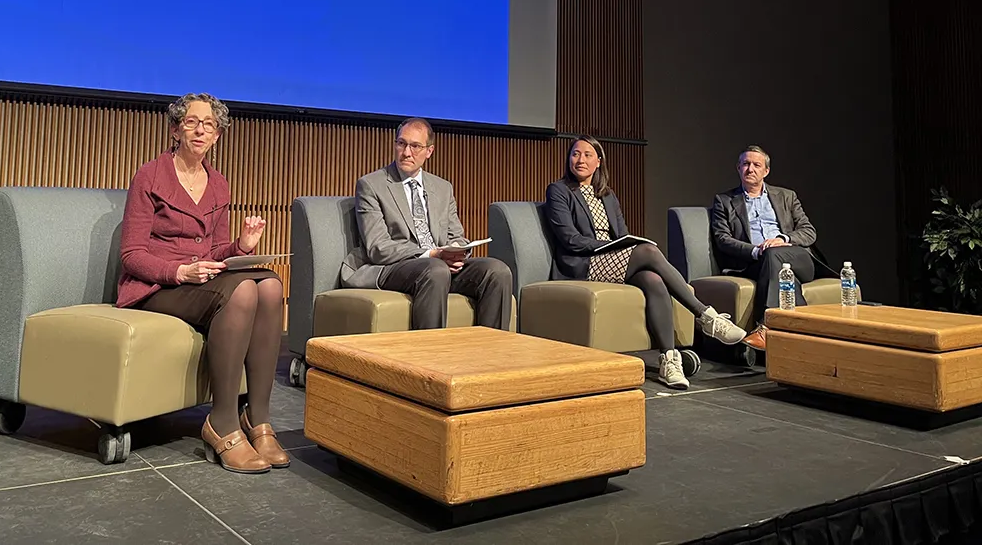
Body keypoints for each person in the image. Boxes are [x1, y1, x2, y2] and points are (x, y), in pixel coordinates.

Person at [117, 93, 288, 474]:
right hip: (158, 287)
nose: (200, 130)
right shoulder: (150, 176)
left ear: (217, 135)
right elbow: (131, 254)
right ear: (176, 129)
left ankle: (258, 419)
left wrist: (242, 246)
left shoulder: (218, 184)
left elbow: (214, 251)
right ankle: (222, 421)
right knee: (243, 290)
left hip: (201, 282)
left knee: (271, 286)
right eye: (192, 122)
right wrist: (178, 273)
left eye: (209, 124)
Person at [545, 136, 746, 389]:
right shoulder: (559, 190)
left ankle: (669, 360)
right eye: (575, 154)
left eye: (587, 155)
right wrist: (612, 248)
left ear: (598, 162)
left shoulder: (607, 195)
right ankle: (707, 316)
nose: (580, 160)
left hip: (612, 261)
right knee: (648, 251)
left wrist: (620, 246)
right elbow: (569, 239)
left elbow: (621, 233)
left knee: (654, 280)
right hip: (581, 264)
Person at [340, 117, 513, 330]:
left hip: (438, 264)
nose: (406, 152)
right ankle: (428, 358)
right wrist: (432, 255)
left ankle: (490, 355)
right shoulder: (371, 185)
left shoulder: (442, 188)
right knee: (435, 270)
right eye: (401, 143)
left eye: (415, 146)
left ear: (429, 151)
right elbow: (378, 248)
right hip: (393, 267)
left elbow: (456, 235)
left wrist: (456, 252)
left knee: (497, 271)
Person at [710, 145, 819, 351]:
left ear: (766, 171)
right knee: (778, 267)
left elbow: (808, 231)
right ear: (738, 168)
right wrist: (755, 250)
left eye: (756, 165)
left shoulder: (786, 196)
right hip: (756, 262)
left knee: (774, 254)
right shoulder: (724, 201)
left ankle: (766, 325)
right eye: (746, 164)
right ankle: (801, 332)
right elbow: (722, 239)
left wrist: (783, 238)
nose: (750, 169)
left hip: (797, 259)